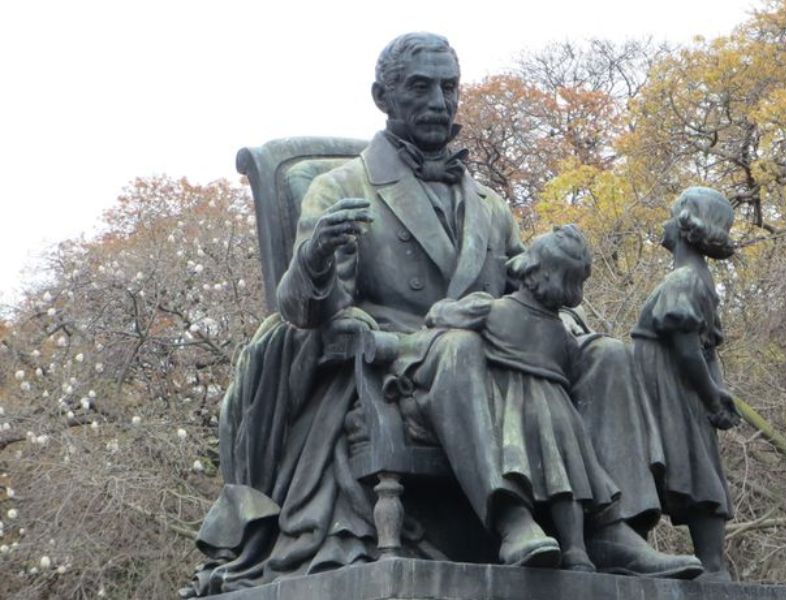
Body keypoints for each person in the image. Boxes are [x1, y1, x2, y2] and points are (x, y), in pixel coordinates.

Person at [184, 33, 699, 597]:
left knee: (608, 355)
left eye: (448, 87)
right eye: (420, 87)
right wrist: (313, 257)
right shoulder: (341, 188)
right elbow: (305, 315)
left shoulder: (490, 205)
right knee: (458, 347)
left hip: (500, 347)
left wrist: (570, 327)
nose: (438, 101)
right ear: (383, 95)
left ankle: (610, 528)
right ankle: (510, 519)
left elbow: (526, 287)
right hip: (400, 357)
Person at [475, 225, 618, 572]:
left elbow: (444, 316)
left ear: (531, 266)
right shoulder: (561, 328)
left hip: (517, 408)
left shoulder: (493, 311)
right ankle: (577, 551)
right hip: (560, 410)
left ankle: (538, 528)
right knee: (566, 483)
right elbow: (572, 361)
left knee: (535, 474)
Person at [630, 186, 742, 581]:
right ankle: (710, 564)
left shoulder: (683, 280)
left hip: (668, 388)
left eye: (669, 213)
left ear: (683, 224)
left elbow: (690, 349)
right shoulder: (700, 279)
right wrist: (717, 391)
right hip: (678, 387)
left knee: (683, 462)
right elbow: (708, 350)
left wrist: (712, 397)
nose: (663, 222)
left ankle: (712, 565)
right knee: (688, 462)